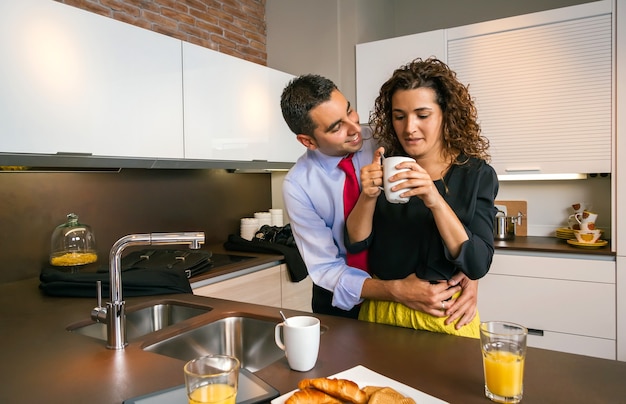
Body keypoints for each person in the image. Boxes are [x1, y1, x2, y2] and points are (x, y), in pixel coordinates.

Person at [280, 73, 479, 328]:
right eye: (336, 127)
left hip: (402, 302)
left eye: (349, 111)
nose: (354, 129)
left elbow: (457, 196)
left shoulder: (383, 140)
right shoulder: (298, 186)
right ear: (308, 141)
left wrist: (470, 275)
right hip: (340, 306)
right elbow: (327, 269)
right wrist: (397, 290)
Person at [345, 58, 498, 338]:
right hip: (382, 312)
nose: (409, 128)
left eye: (422, 115)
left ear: (446, 114)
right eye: (399, 116)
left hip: (446, 317)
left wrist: (434, 197)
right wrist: (367, 197)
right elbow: (356, 243)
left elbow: (476, 263)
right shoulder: (385, 164)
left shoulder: (476, 174)